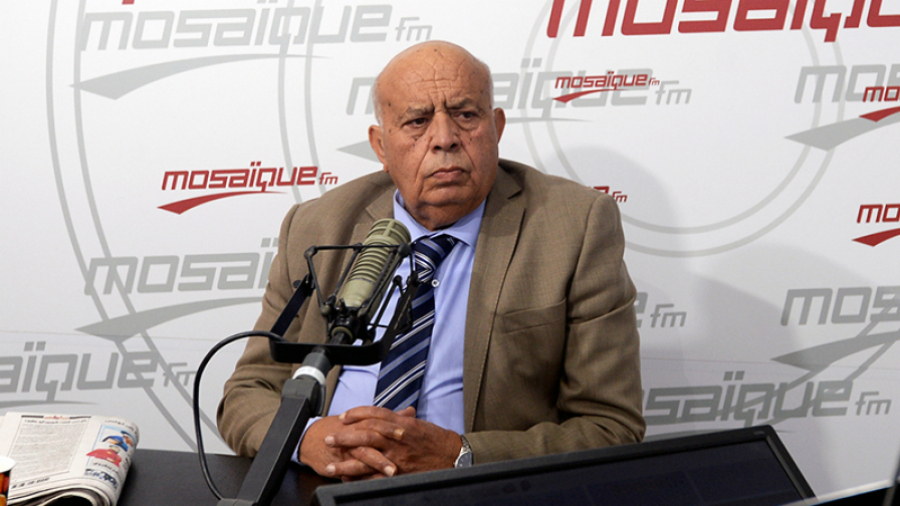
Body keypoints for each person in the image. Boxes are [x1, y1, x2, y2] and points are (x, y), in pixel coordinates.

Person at [217, 40, 644, 481]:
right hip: (324, 486)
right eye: (417, 122)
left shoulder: (573, 227)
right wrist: (307, 439)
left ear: (496, 127)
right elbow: (248, 392)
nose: (444, 139)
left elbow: (611, 427)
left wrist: (459, 456)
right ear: (381, 147)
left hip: (477, 492)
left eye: (466, 115)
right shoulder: (316, 226)